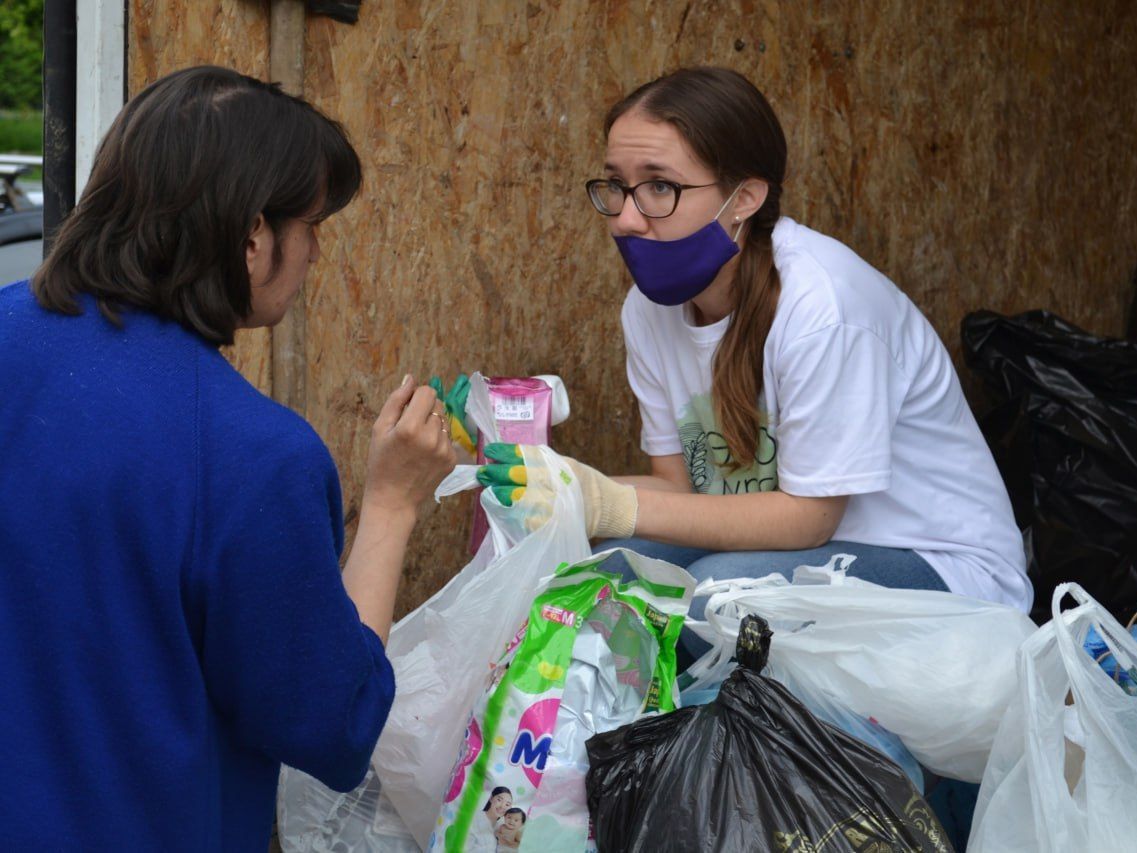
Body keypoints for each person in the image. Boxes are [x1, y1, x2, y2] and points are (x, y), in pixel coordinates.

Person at [0, 67, 455, 850]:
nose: (314, 251)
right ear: (252, 238)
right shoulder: (250, 455)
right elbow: (331, 724)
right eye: (312, 224)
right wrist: (390, 505)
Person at [478, 66, 1030, 629]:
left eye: (660, 187)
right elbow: (680, 489)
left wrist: (609, 503)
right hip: (799, 554)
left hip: (945, 571)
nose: (624, 218)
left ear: (743, 197)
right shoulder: (647, 311)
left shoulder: (822, 308)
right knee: (594, 582)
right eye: (616, 186)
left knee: (712, 601)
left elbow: (808, 520)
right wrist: (561, 486)